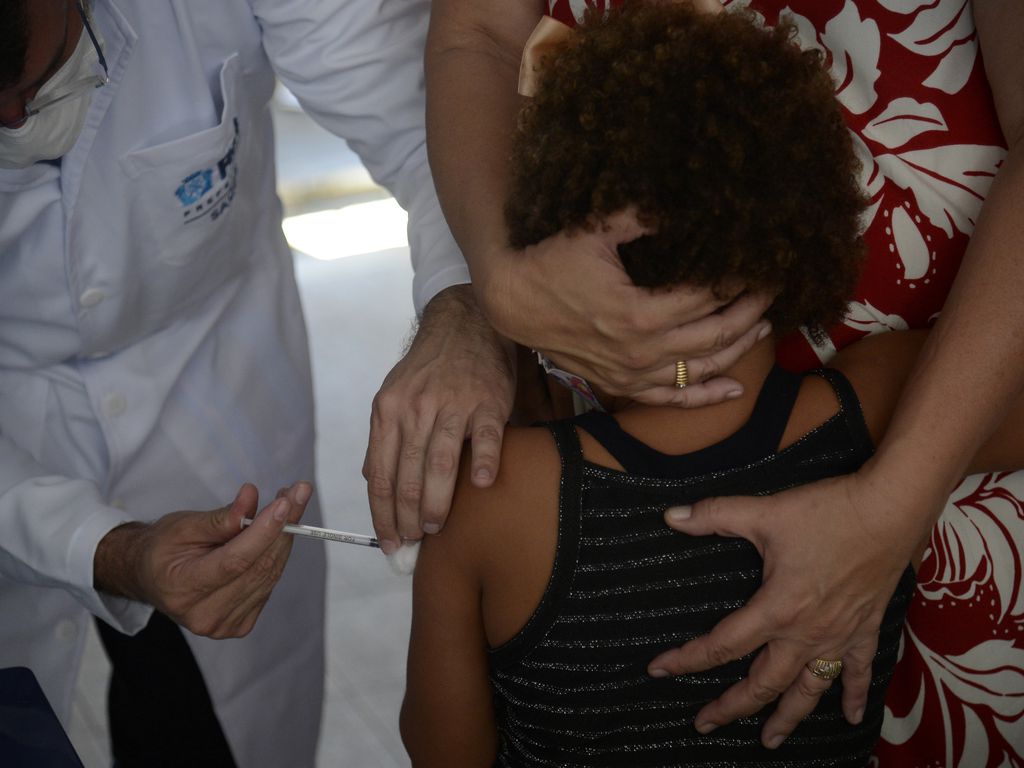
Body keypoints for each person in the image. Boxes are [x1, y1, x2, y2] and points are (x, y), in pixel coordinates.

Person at [399, 6, 1024, 764]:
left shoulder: (490, 501)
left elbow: (441, 750)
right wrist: (894, 502)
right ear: (810, 242)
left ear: (544, 231)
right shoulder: (887, 406)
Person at [0, 0, 495, 765]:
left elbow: (423, 126)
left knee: (212, 729)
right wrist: (109, 552)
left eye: (37, 79)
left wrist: (463, 305)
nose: (12, 117)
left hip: (212, 367)